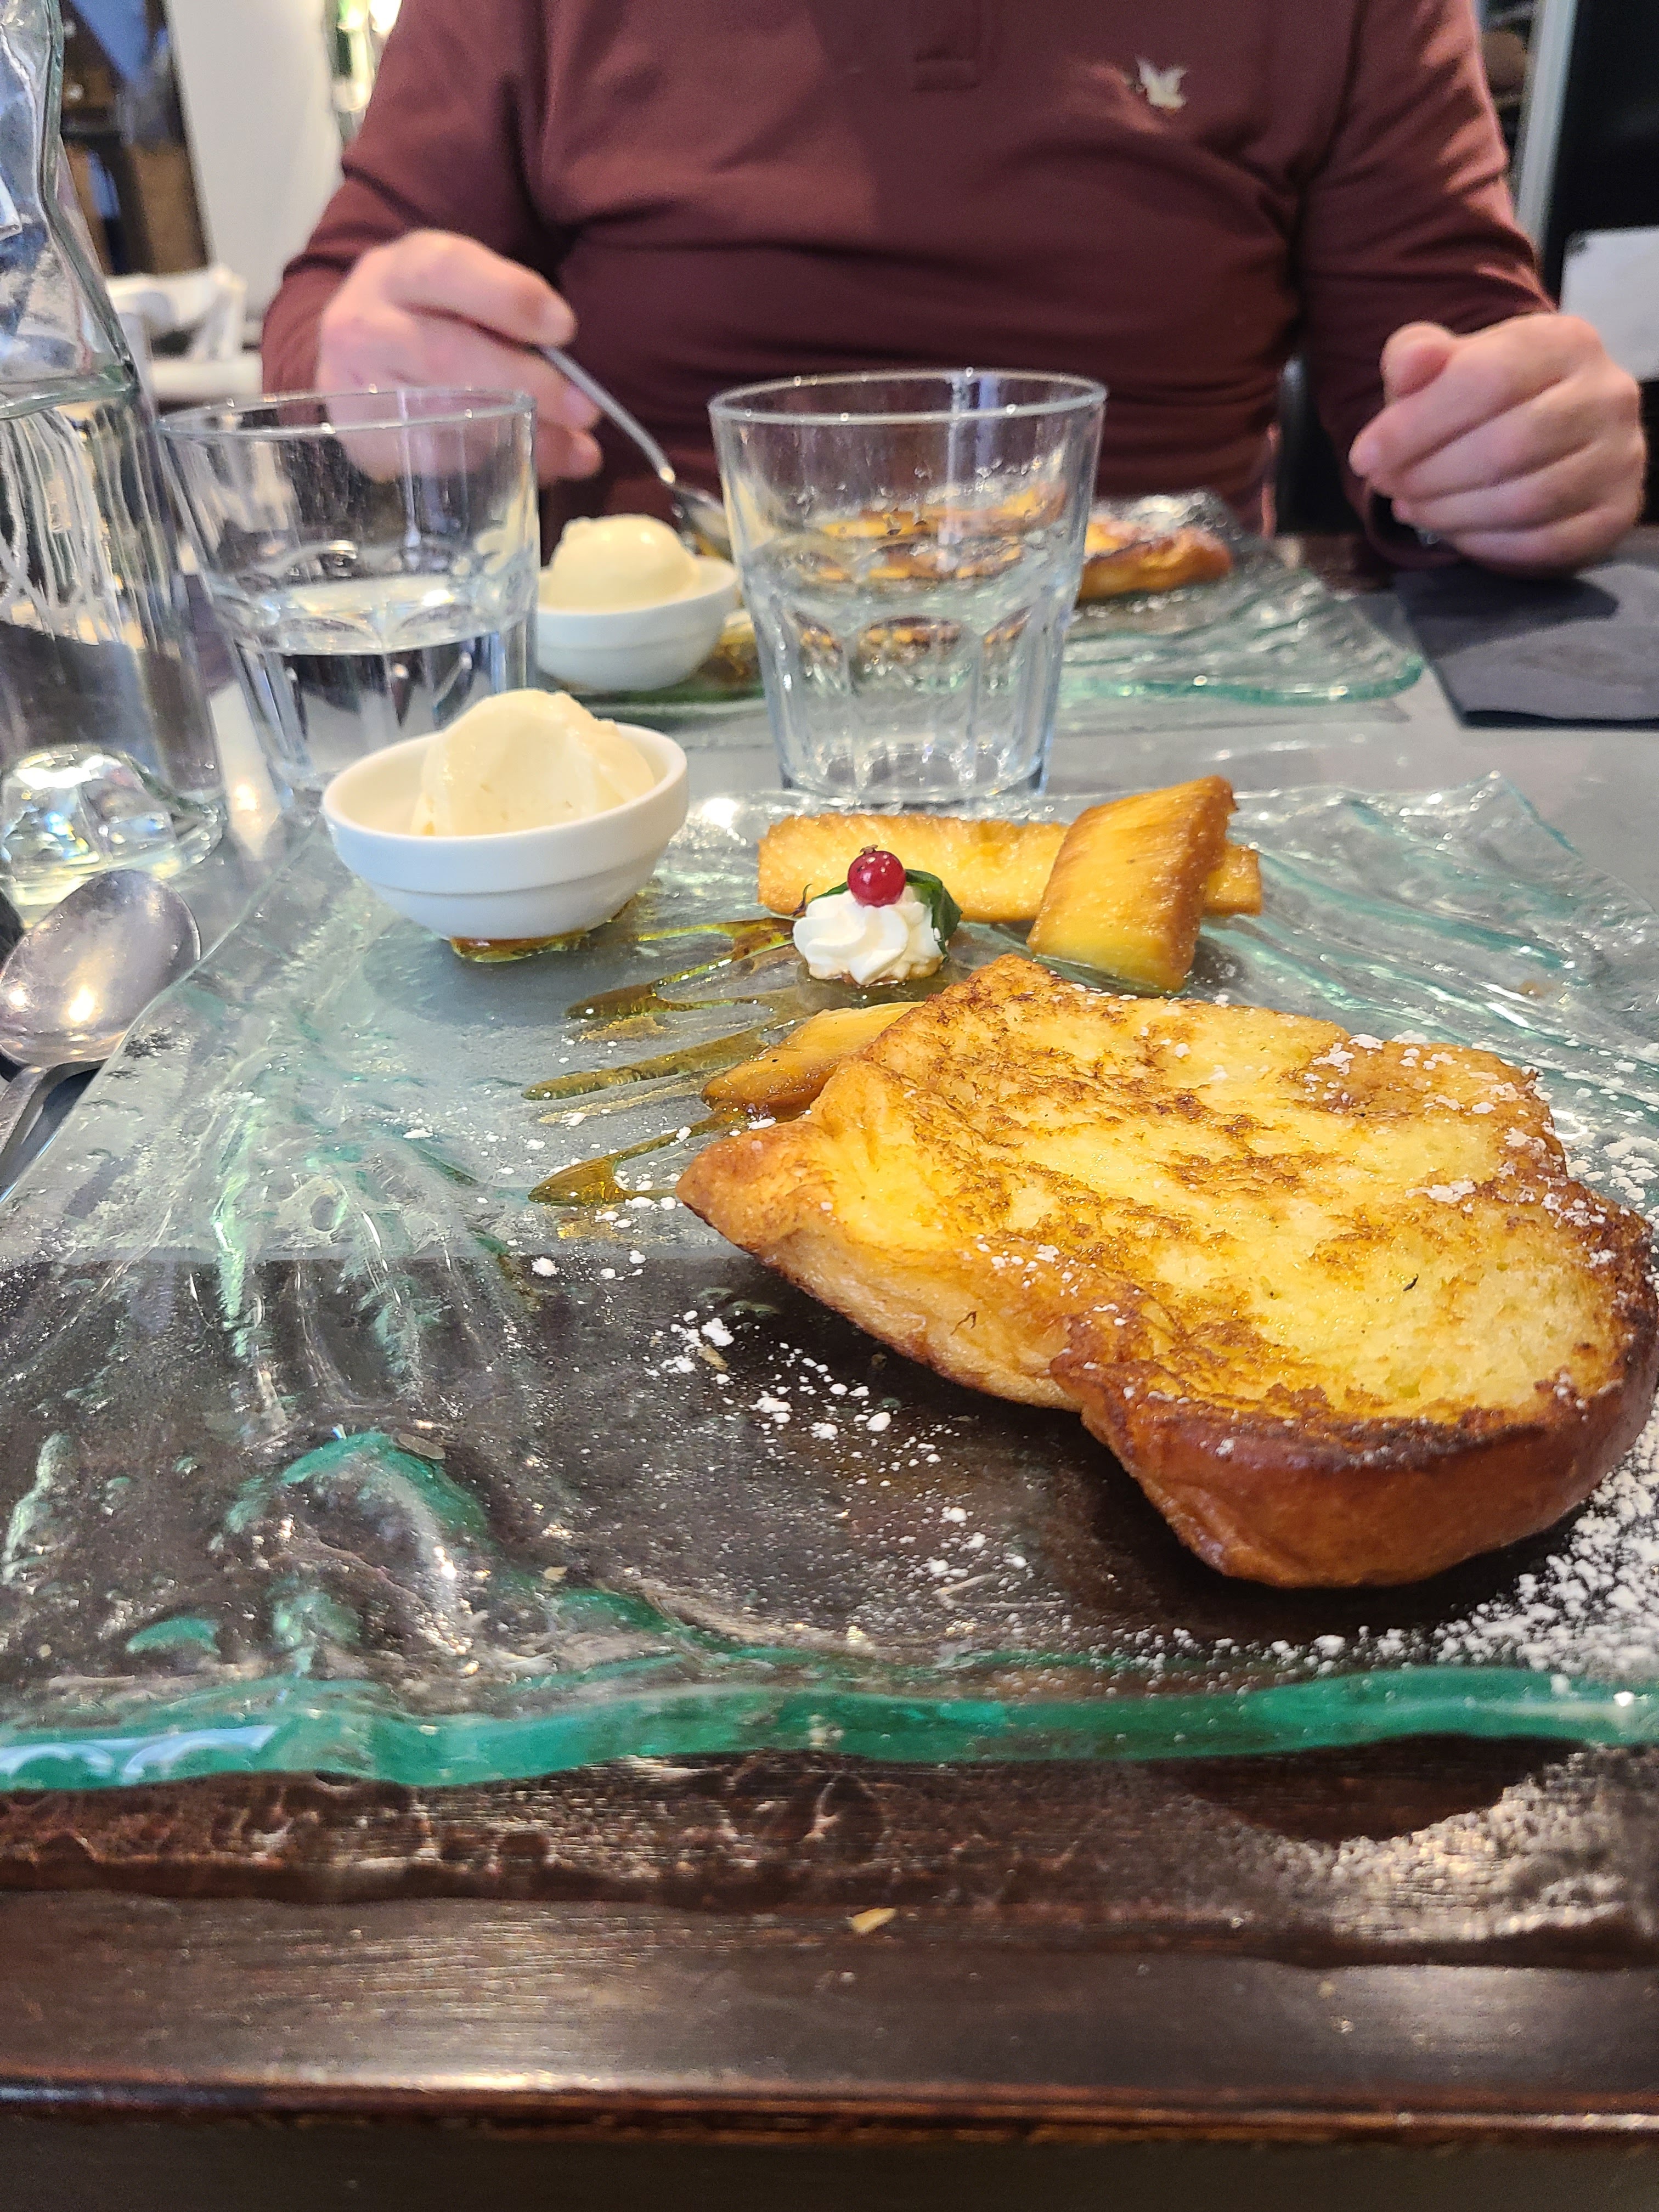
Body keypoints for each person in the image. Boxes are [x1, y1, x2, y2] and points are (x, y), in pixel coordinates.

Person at [263, 0, 1646, 577]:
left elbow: (1449, 359)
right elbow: (328, 317)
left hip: (1182, 679)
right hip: (653, 684)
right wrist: (365, 365)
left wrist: (1521, 449)